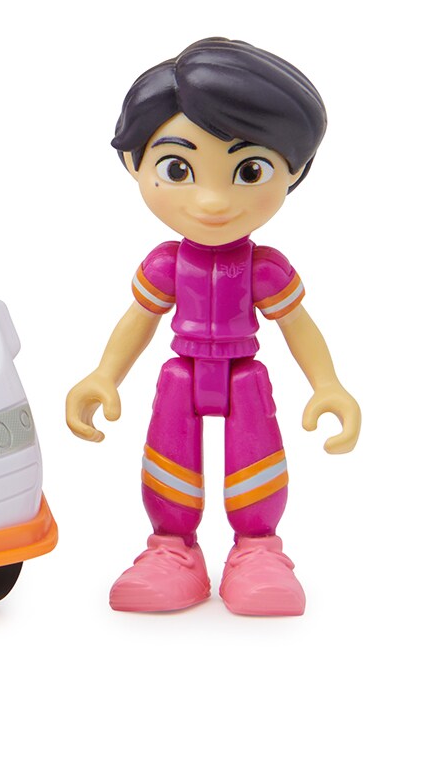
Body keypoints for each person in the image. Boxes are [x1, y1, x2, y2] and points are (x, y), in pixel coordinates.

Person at [65, 38, 360, 616]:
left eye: (249, 170)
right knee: (169, 453)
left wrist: (328, 384)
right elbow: (139, 319)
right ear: (134, 164)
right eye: (178, 169)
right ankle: (172, 549)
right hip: (183, 372)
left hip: (244, 373)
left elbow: (297, 324)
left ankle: (257, 549)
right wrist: (104, 375)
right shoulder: (165, 265)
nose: (213, 201)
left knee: (256, 457)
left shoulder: (265, 269)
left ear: (295, 169)